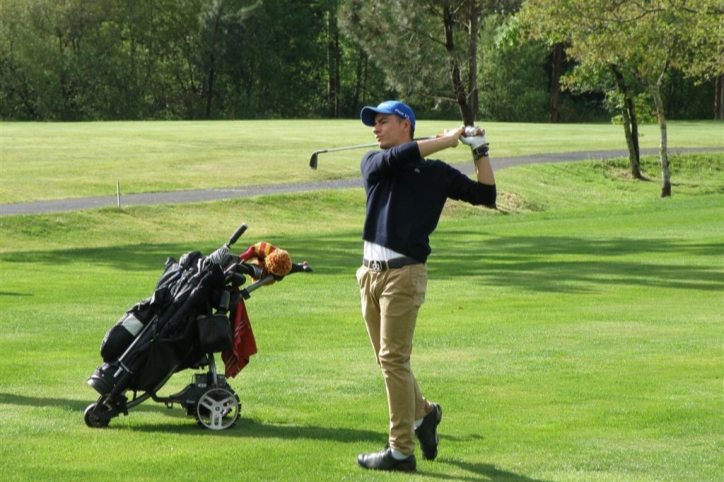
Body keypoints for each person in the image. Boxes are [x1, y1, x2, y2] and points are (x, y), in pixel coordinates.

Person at [355, 100, 496, 472]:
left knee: (392, 360)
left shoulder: (436, 174)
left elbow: (486, 195)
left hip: (403, 275)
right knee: (390, 361)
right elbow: (397, 159)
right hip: (368, 275)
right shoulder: (374, 164)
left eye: (383, 122)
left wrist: (479, 149)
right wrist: (447, 140)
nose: (375, 129)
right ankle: (425, 414)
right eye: (374, 124)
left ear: (405, 124)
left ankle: (401, 450)